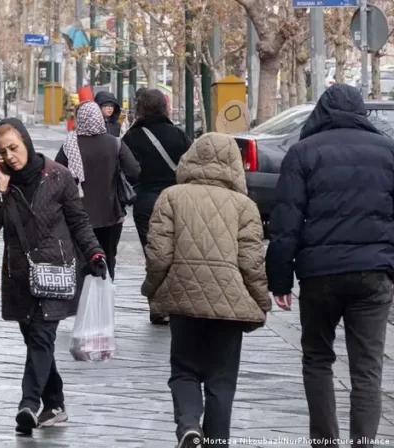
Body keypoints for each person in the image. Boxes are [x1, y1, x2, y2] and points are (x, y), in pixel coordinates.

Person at [266, 84, 394, 448]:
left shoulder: (303, 152)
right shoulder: (388, 151)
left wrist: (280, 280)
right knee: (367, 368)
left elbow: (285, 223)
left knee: (317, 358)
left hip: (319, 274)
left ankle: (324, 441)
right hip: (373, 273)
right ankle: (363, 442)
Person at [142, 132, 271, 448]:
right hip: (230, 306)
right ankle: (217, 442)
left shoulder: (171, 197)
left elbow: (159, 256)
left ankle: (189, 424)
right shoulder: (245, 206)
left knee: (184, 371)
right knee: (222, 381)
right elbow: (251, 262)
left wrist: (152, 290)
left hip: (183, 299)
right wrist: (260, 300)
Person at [0, 118, 106, 436]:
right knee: (35, 341)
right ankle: (55, 402)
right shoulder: (4, 182)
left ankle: (27, 403)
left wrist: (95, 253)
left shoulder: (58, 176)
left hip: (55, 273)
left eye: (14, 147)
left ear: (25, 141)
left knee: (41, 338)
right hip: (20, 276)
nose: (10, 156)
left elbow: (78, 221)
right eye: (3, 151)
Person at [122, 88, 191, 325]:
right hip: (176, 201)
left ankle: (158, 307)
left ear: (140, 108)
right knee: (177, 252)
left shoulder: (131, 137)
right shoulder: (179, 135)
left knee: (154, 255)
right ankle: (177, 303)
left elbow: (126, 172)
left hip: (146, 203)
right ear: (164, 107)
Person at [55, 101, 139, 278]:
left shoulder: (70, 144)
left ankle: (82, 294)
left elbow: (56, 175)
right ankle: (106, 289)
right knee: (108, 259)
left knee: (80, 261)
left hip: (77, 216)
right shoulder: (115, 144)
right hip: (111, 214)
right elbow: (134, 171)